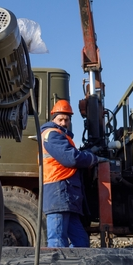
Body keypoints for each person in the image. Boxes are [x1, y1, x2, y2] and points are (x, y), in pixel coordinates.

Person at [41, 99, 99, 247]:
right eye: (60, 119)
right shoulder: (52, 134)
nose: (64, 122)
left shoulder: (62, 136)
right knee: (57, 240)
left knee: (80, 241)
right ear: (53, 119)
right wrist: (91, 158)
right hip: (58, 191)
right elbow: (71, 158)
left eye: (67, 119)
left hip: (67, 194)